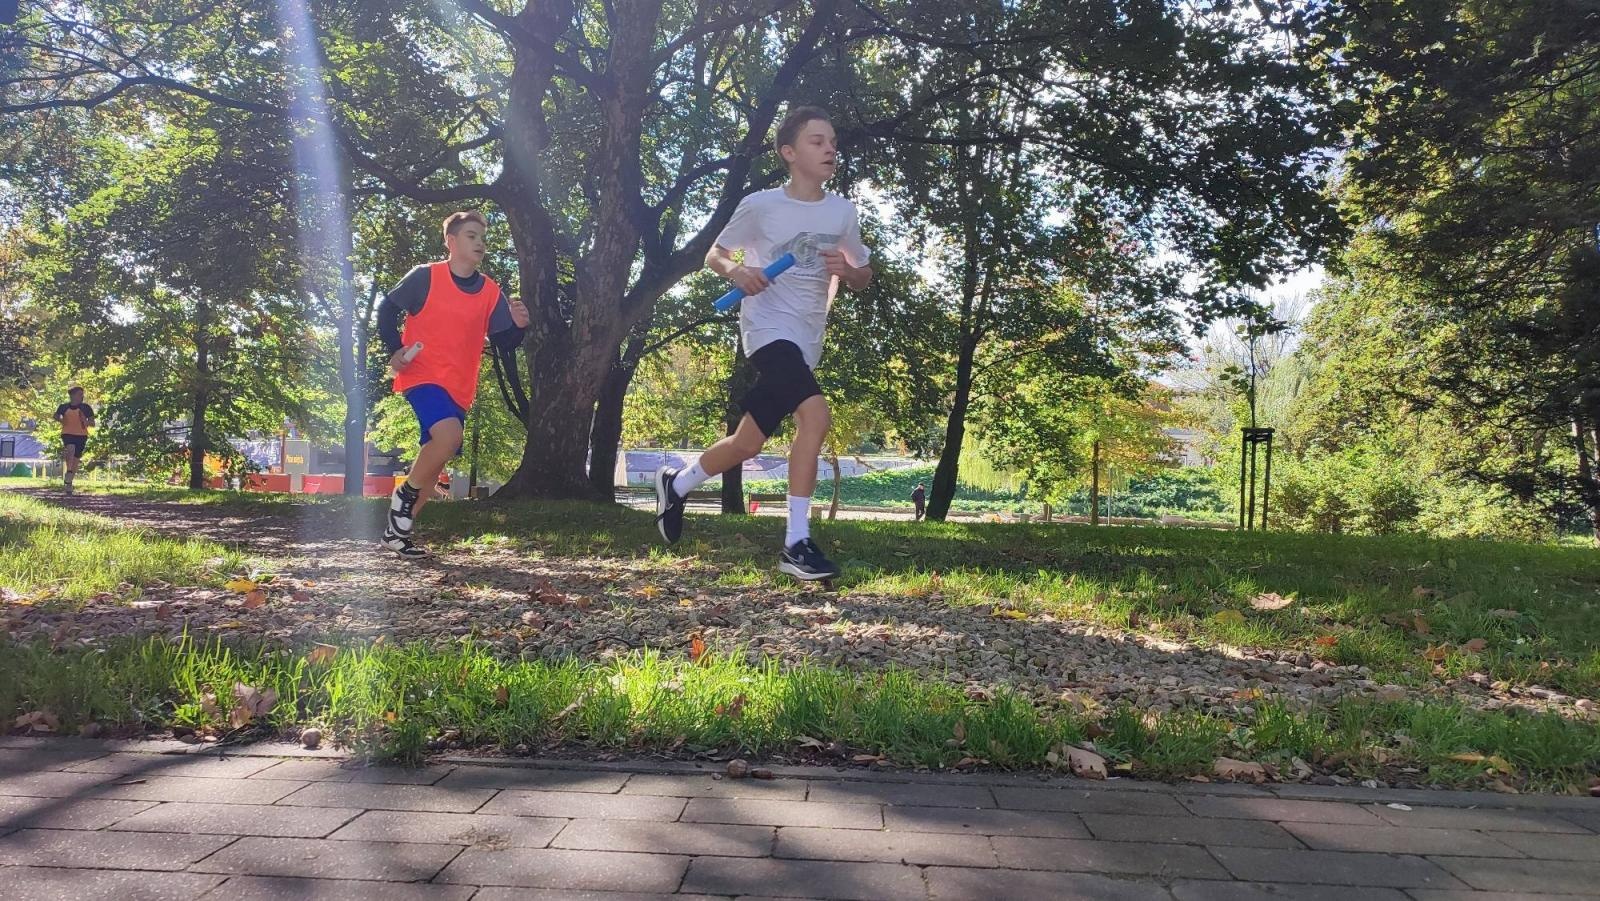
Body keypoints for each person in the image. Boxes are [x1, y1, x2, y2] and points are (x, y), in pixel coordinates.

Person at [653, 106, 873, 581]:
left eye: (832, 140)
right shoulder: (761, 205)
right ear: (789, 153)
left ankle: (678, 482)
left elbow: (863, 273)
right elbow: (715, 253)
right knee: (815, 413)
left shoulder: (842, 211)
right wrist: (737, 271)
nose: (830, 148)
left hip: (808, 334)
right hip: (767, 330)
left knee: (748, 443)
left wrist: (849, 272)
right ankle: (796, 542)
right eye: (817, 141)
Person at [376, 210, 529, 557]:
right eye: (472, 235)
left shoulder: (490, 291)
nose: (480, 243)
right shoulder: (425, 277)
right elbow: (387, 311)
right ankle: (405, 495)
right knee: (448, 438)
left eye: (482, 238)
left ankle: (395, 536)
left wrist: (519, 325)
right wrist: (395, 349)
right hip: (423, 374)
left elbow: (505, 343)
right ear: (451, 241)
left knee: (437, 458)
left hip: (460, 387)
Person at [53, 386, 94, 494]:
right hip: (67, 433)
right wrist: (62, 420)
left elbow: (92, 423)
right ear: (72, 396)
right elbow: (56, 416)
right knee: (70, 449)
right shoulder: (63, 407)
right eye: (80, 394)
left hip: (82, 435)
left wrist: (86, 422)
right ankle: (69, 472)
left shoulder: (86, 408)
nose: (82, 396)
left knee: (76, 459)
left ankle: (69, 482)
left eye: (82, 394)